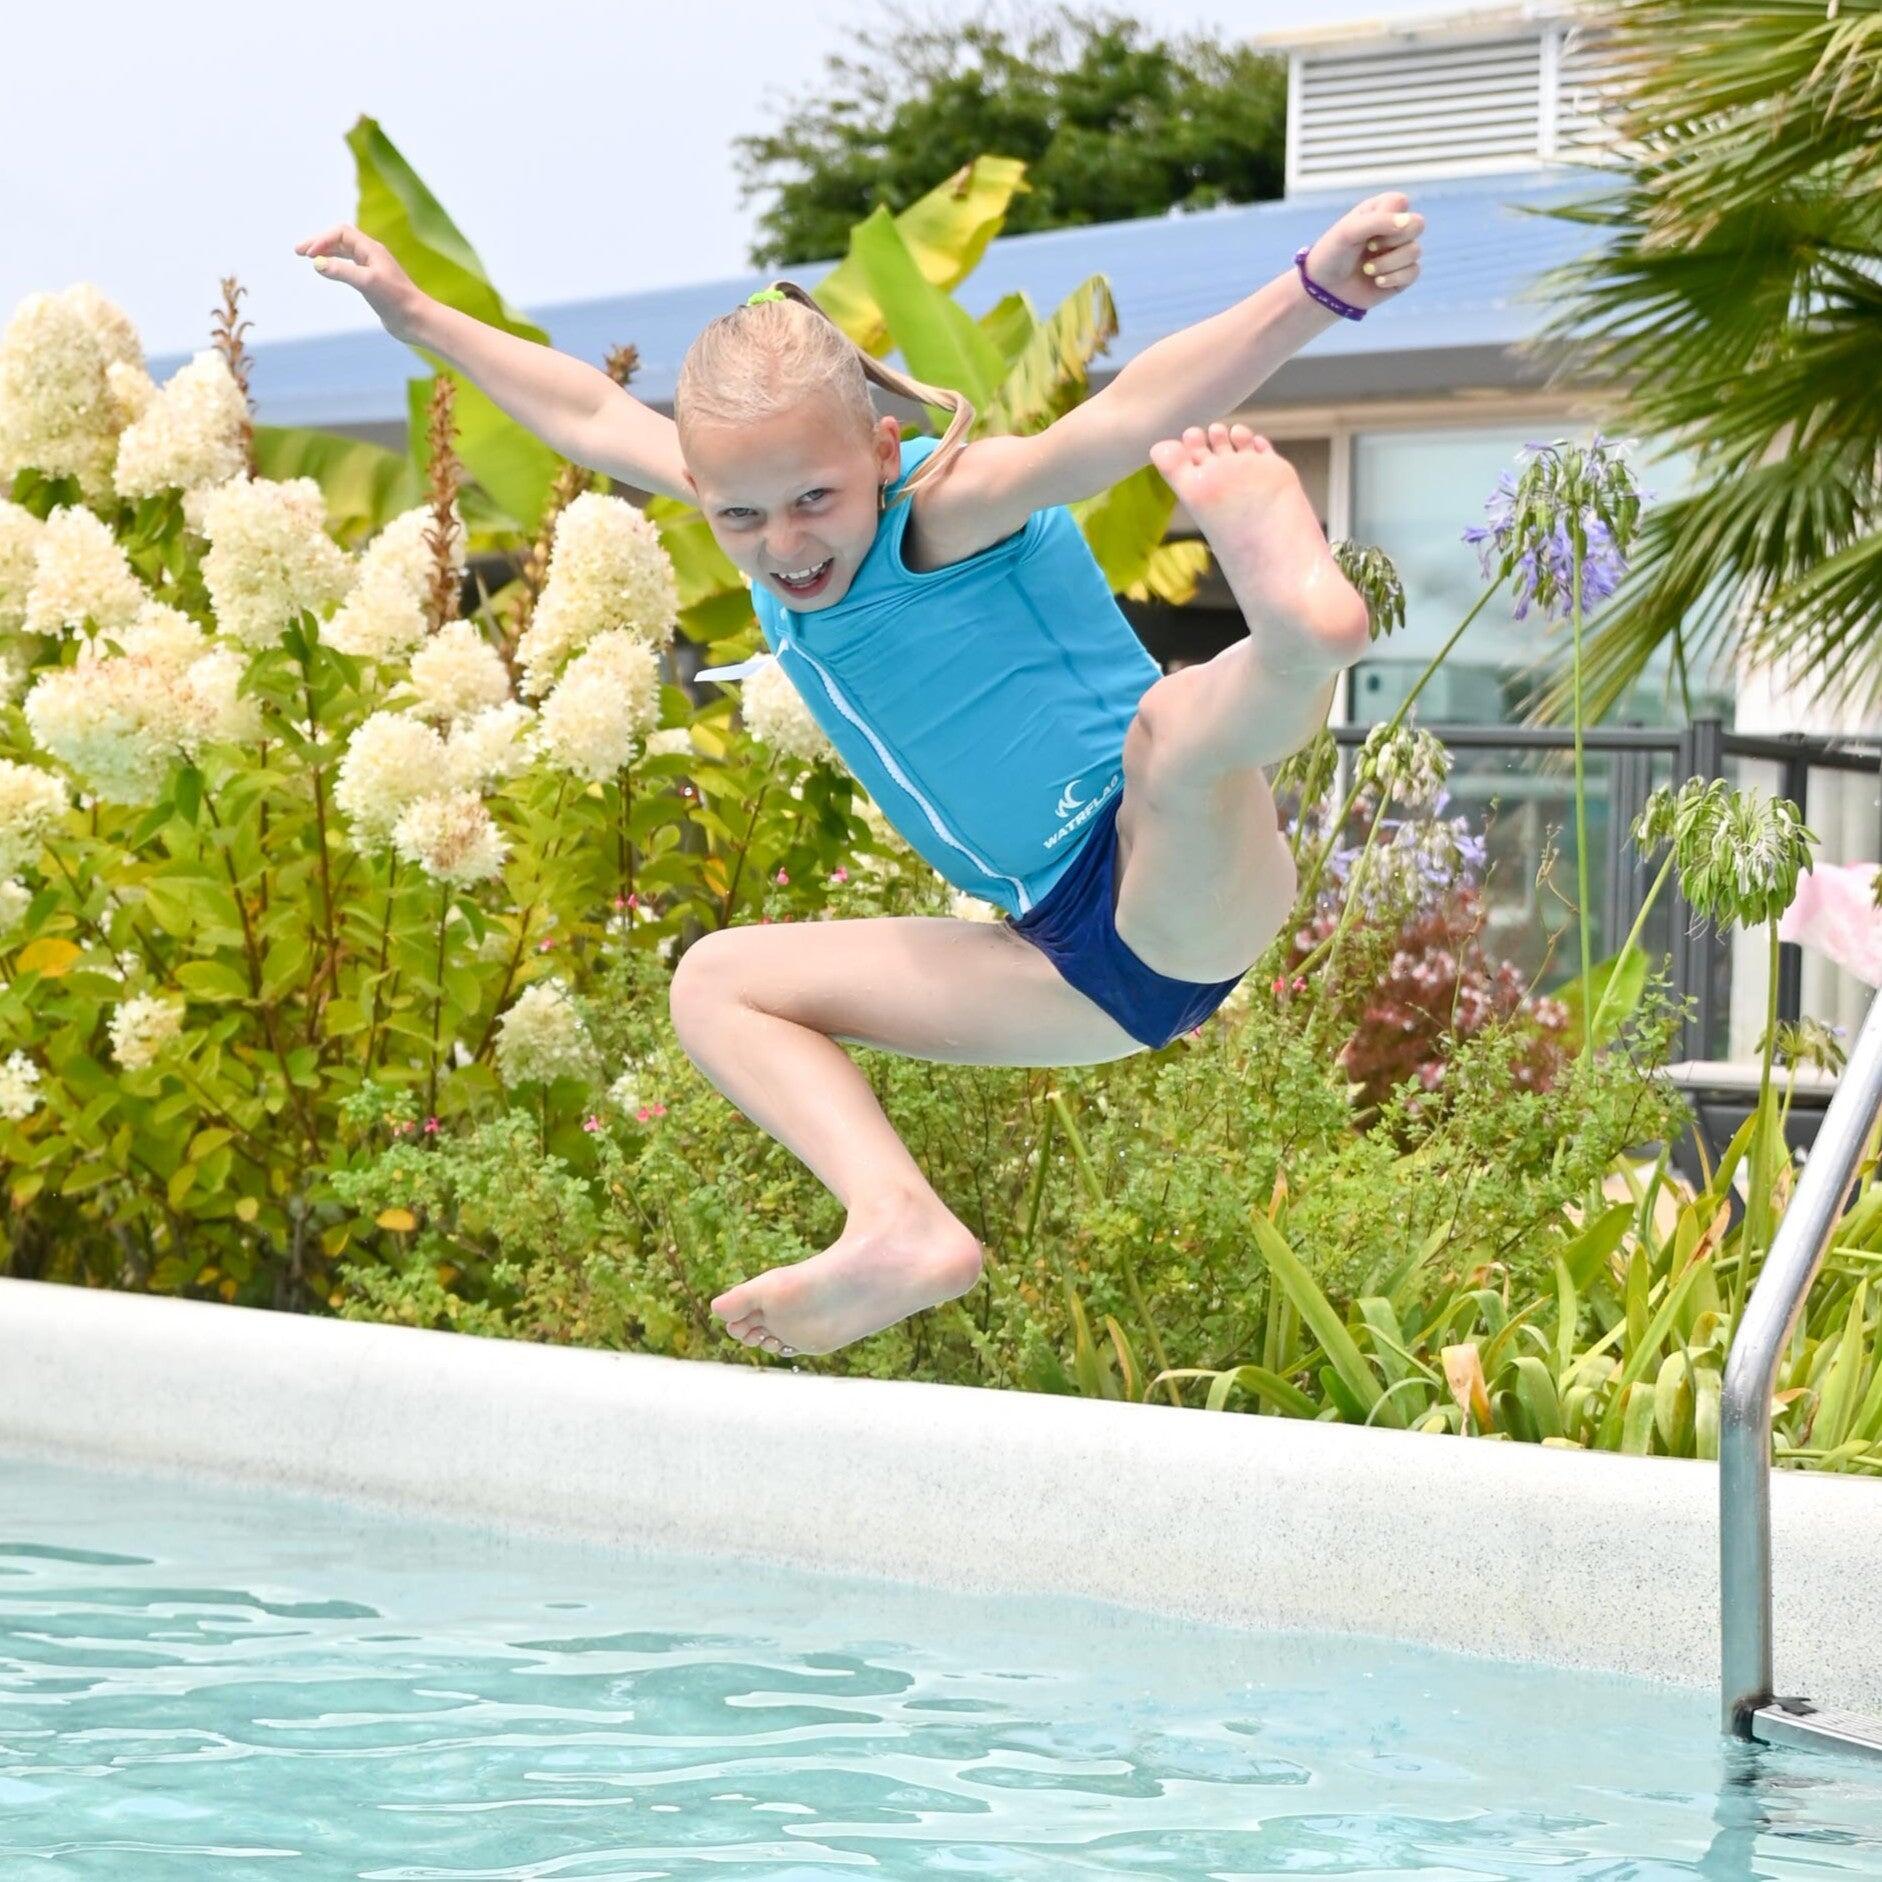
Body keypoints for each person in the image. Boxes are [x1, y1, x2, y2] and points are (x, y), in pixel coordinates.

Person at [293, 190, 1424, 1361]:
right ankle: (899, 1222)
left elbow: (1126, 411)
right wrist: (415, 310)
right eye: (739, 514)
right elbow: (581, 406)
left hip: (1165, 880)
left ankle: (1297, 634)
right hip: (1055, 965)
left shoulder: (944, 511)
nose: (784, 544)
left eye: (814, 501)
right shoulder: (751, 495)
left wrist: (1317, 288)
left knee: (1173, 743)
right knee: (714, 981)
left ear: (880, 452)